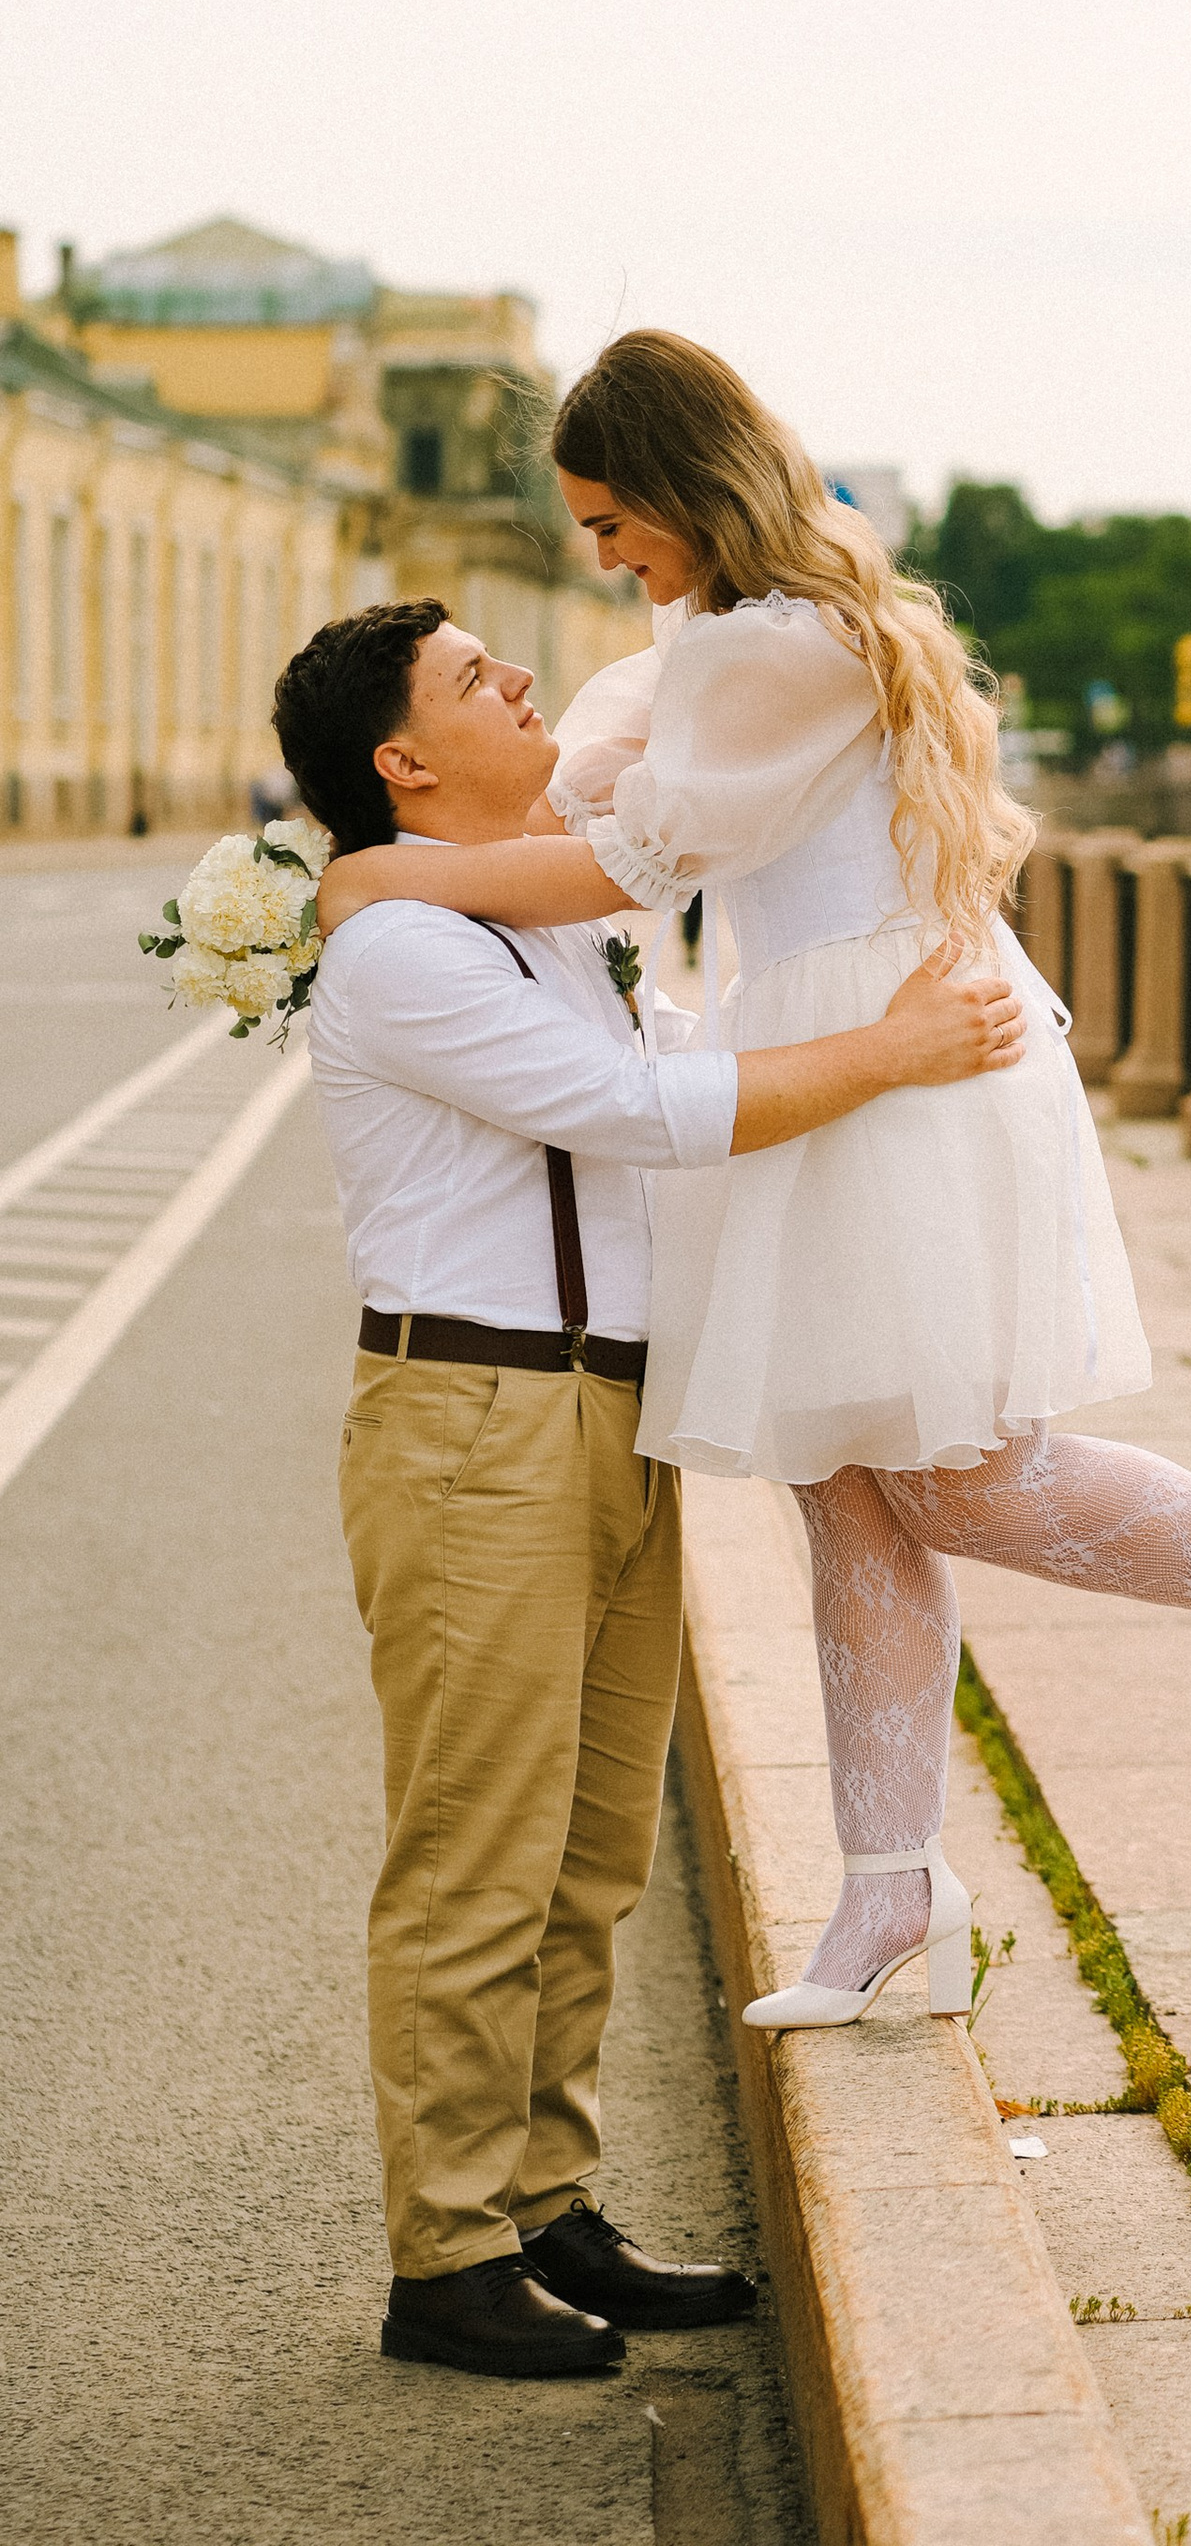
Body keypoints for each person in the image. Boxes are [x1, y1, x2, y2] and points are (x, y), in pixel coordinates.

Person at [317, 333, 1191, 2042]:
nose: (598, 557)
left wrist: (395, 873)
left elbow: (628, 859)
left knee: (950, 1475)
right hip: (847, 1031)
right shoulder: (730, 632)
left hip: (893, 1056)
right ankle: (886, 1891)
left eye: (608, 519)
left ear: (679, 487)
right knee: (844, 1485)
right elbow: (600, 779)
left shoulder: (774, 645)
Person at [275, 597, 1027, 2380]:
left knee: (595, 1844)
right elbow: (641, 1111)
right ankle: (443, 2256)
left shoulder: (513, 916)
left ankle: (549, 2205)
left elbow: (679, 1014)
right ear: (402, 762)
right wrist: (891, 1053)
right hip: (472, 1419)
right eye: (476, 680)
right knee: (479, 1851)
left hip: (605, 1415)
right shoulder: (403, 954)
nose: (518, 680)